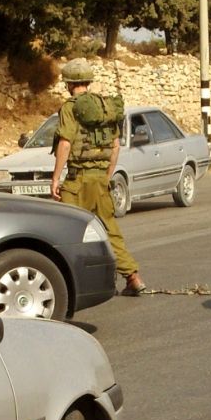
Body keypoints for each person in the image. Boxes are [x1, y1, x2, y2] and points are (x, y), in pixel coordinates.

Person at [50, 58, 146, 296]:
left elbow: (64, 143)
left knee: (66, 232)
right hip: (100, 180)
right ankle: (133, 277)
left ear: (69, 84)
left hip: (77, 181)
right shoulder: (105, 107)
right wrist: (106, 174)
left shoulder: (70, 107)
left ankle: (68, 286)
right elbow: (115, 146)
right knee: (109, 229)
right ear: (88, 81)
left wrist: (55, 178)